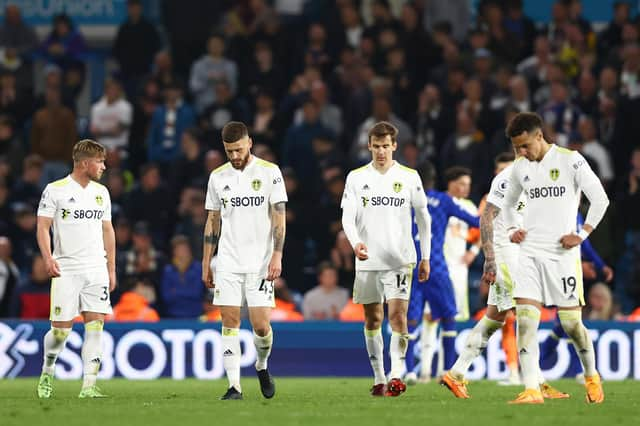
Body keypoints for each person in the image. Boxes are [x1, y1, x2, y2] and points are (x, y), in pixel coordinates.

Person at [479, 112, 608, 404]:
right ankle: (532, 390)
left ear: (539, 136)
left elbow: (600, 199)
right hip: (529, 254)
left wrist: (583, 233)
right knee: (525, 319)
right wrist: (512, 229)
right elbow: (506, 205)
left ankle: (591, 376)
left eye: (525, 145)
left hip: (562, 254)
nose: (521, 153)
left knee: (571, 324)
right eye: (517, 148)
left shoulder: (570, 160)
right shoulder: (520, 168)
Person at [441, 152, 567, 400]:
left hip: (520, 253)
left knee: (495, 318)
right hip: (506, 255)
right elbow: (485, 218)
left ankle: (456, 373)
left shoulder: (535, 180)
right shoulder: (507, 179)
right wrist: (489, 257)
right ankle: (535, 384)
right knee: (527, 313)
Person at [341, 121, 432, 397]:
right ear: (369, 146)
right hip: (368, 259)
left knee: (398, 316)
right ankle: (379, 377)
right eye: (376, 146)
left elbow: (424, 219)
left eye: (386, 146)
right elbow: (347, 216)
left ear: (395, 146)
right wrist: (355, 243)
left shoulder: (409, 177)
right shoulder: (356, 178)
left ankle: (396, 375)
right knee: (373, 318)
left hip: (400, 259)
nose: (381, 151)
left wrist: (425, 256)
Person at [202, 121, 287, 400]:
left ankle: (261, 365)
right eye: (229, 152)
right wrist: (207, 262)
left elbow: (279, 216)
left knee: (261, 326)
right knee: (229, 320)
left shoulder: (269, 173)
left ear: (249, 142)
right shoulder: (218, 177)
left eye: (238, 149)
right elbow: (213, 220)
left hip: (261, 263)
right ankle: (234, 386)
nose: (235, 156)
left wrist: (277, 254)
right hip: (228, 261)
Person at [35, 139, 116, 398]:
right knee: (60, 331)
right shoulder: (55, 190)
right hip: (66, 269)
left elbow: (108, 231)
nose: (104, 166)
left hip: (96, 268)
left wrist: (111, 268)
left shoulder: (101, 193)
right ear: (84, 163)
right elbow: (42, 227)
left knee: (96, 327)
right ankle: (47, 372)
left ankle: (89, 386)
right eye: (100, 161)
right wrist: (48, 258)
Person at [404, 162, 479, 384]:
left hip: (410, 266)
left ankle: (409, 372)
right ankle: (447, 371)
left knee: (411, 321)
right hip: (435, 266)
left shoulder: (404, 200)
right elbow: (473, 221)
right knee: (448, 317)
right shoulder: (443, 200)